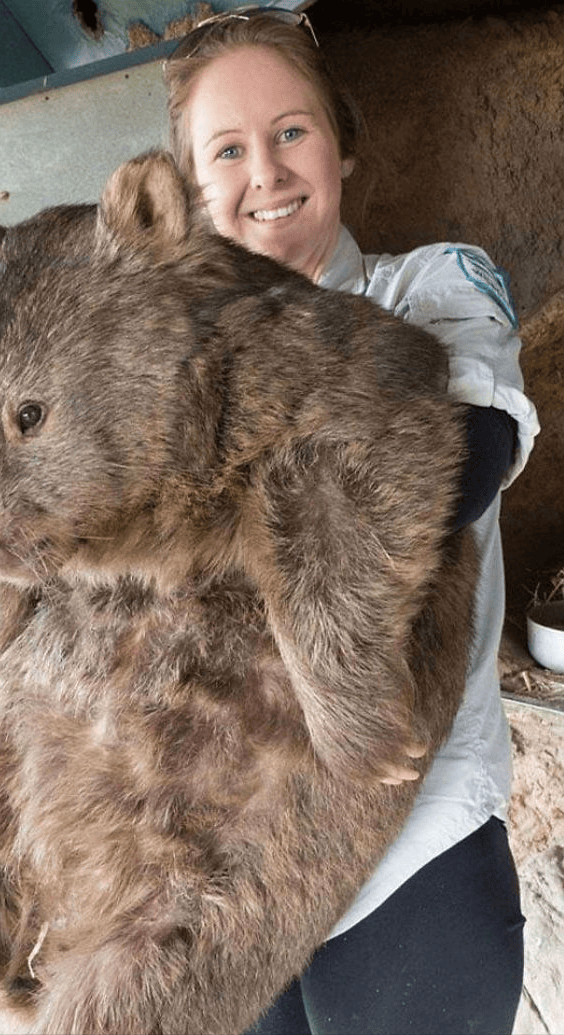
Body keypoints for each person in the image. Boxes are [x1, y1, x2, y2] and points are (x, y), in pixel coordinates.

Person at [163, 8, 540, 1035]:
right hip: (222, 876)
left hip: (404, 848)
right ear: (189, 190)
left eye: (291, 130)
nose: (267, 172)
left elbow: (457, 466)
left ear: (340, 140)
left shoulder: (431, 286)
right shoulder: (167, 369)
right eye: (227, 150)